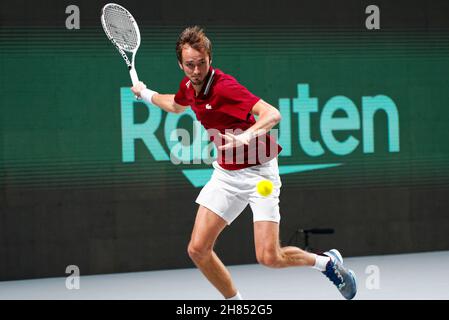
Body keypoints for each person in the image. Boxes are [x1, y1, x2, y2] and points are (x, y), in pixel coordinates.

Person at [131, 26, 357, 300]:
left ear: (209, 60)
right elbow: (175, 105)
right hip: (226, 174)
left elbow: (272, 114)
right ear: (181, 64)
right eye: (189, 65)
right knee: (197, 249)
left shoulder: (225, 87)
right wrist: (144, 93)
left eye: (201, 63)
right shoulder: (189, 87)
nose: (196, 70)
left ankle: (327, 263)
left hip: (260, 173)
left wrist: (245, 137)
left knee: (269, 257)